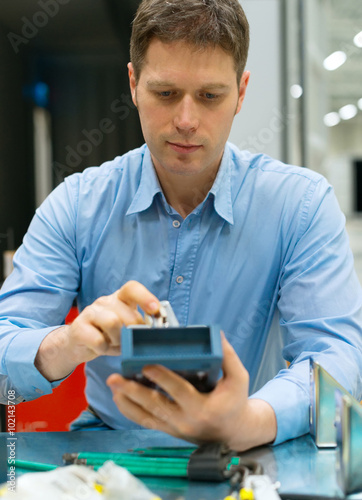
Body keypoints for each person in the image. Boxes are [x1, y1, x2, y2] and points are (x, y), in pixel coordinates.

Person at [0, 0, 361, 452]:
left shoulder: (300, 205)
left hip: (247, 453)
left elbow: (337, 360)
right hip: (109, 454)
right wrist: (67, 343)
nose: (186, 121)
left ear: (241, 92)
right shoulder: (77, 204)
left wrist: (248, 420)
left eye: (210, 96)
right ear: (133, 84)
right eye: (165, 93)